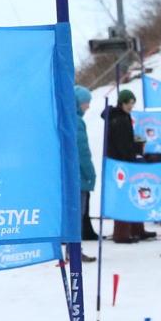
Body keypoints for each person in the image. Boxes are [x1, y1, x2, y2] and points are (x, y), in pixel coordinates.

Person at [102, 88, 155, 244]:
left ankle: (137, 229)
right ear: (122, 102)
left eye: (133, 103)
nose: (131, 106)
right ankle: (122, 233)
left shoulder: (124, 116)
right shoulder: (118, 119)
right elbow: (121, 145)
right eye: (129, 103)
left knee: (134, 194)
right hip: (121, 164)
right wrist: (136, 148)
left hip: (126, 161)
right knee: (123, 197)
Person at [74, 86, 99, 248]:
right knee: (78, 212)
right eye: (85, 103)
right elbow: (82, 151)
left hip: (70, 175)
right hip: (78, 175)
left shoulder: (66, 118)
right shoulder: (76, 122)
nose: (88, 106)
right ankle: (75, 249)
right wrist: (90, 173)